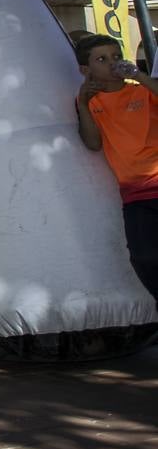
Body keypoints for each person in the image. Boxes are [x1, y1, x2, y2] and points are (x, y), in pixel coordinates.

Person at [75, 34, 158, 305]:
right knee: (144, 257)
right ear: (85, 71)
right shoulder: (92, 102)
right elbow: (92, 143)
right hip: (136, 197)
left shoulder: (141, 91)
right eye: (102, 59)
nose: (112, 64)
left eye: (116, 56)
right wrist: (83, 105)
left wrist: (139, 75)